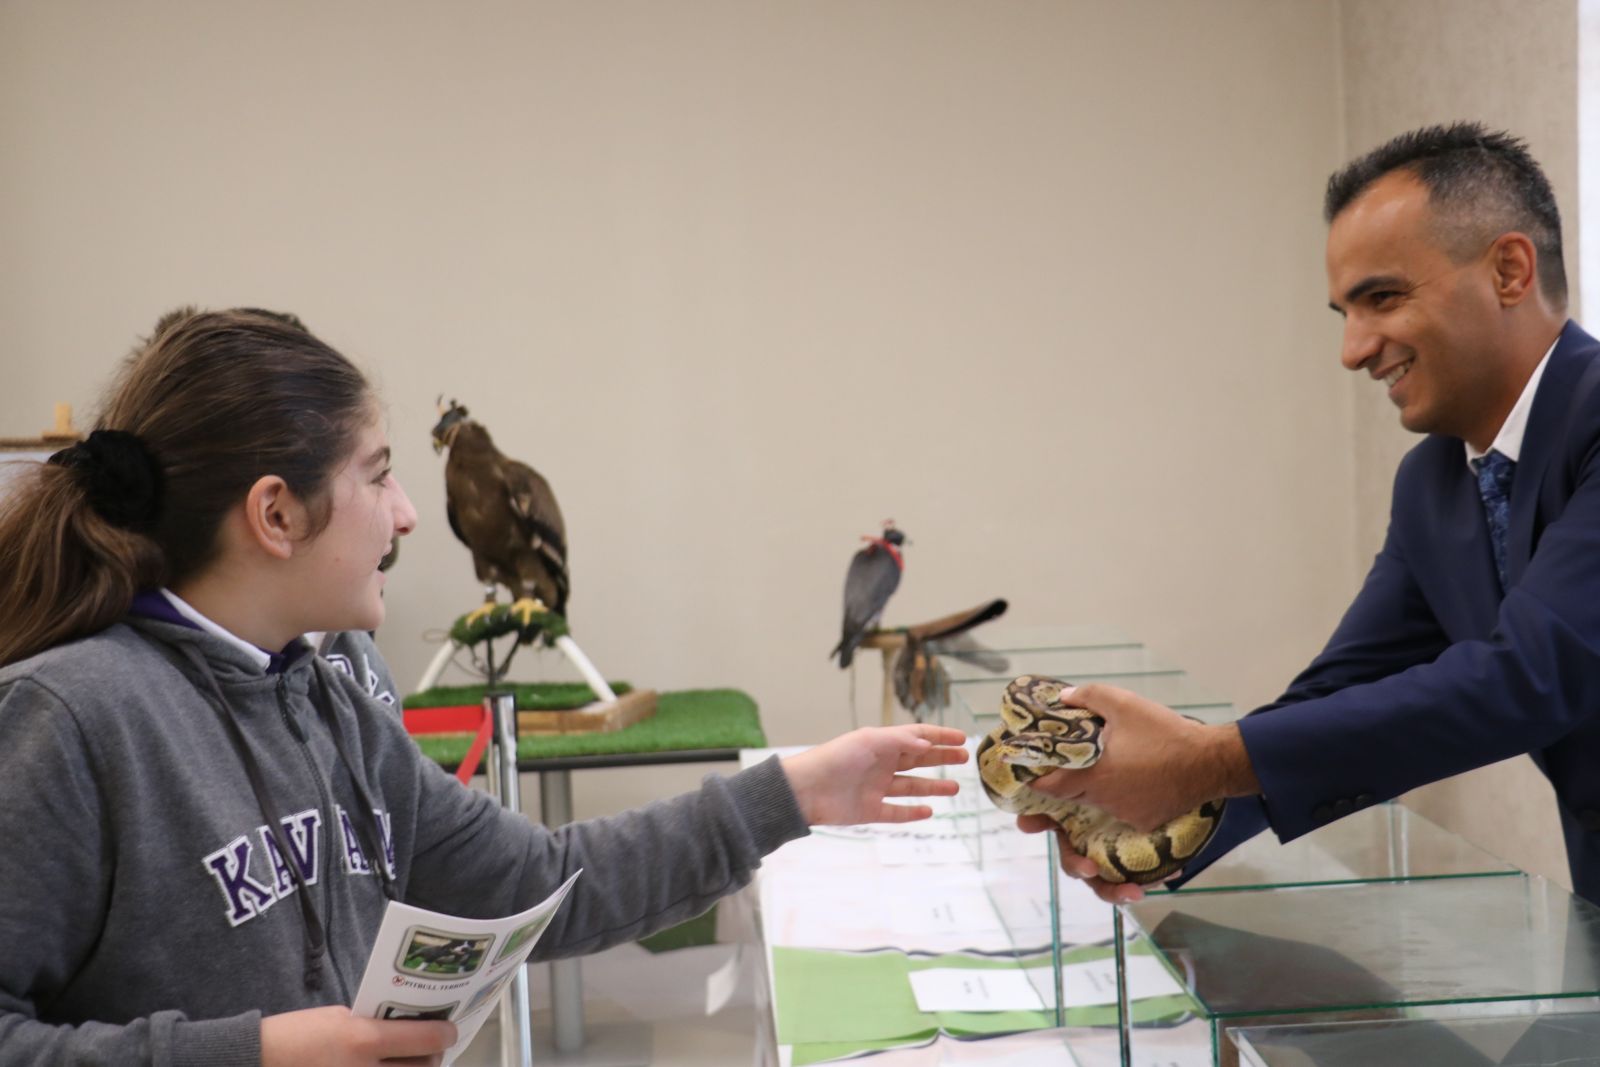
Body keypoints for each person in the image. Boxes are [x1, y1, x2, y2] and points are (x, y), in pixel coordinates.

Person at [0, 307, 970, 1066]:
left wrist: (793, 793)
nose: (411, 513)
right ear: (277, 512)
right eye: (379, 476)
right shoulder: (68, 717)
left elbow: (534, 881)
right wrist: (246, 1050)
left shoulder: (335, 689)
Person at [1022, 122, 1600, 907]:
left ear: (1508, 269)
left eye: (1383, 298)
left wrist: (1199, 759)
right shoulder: (1434, 483)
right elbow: (1337, 694)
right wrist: (1150, 834)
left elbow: (1526, 678)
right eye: (1344, 314)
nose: (1354, 349)